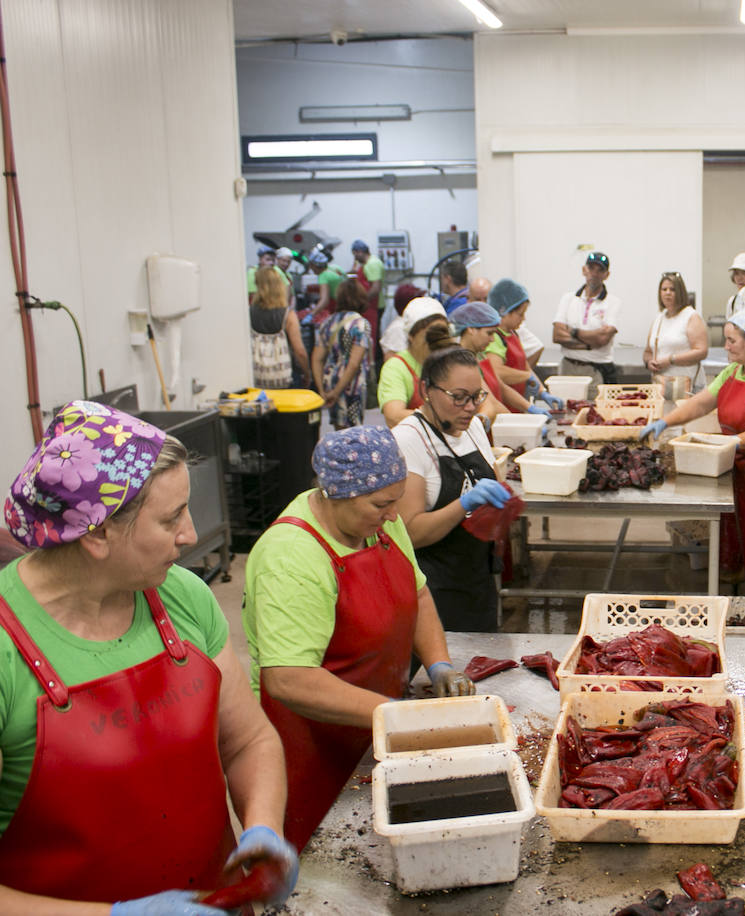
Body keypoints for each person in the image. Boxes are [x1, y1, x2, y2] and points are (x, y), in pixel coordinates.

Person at [0, 401, 297, 910]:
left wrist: (263, 825)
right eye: (170, 518)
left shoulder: (181, 594)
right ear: (96, 533)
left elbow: (248, 740)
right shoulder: (8, 648)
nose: (188, 533)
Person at [243, 425, 474, 851]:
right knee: (326, 868)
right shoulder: (291, 557)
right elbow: (289, 679)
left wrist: (439, 662)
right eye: (382, 504)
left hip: (376, 721)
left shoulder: (380, 522)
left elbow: (417, 592)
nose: (393, 516)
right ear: (337, 494)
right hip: (314, 743)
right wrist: (398, 717)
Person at [643, 300, 745, 595]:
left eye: (732, 340)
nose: (727, 347)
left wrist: (735, 440)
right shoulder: (735, 370)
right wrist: (664, 422)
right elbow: (702, 402)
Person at [395, 347, 512, 633]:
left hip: (477, 581)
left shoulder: (470, 427)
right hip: (434, 591)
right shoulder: (408, 440)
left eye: (476, 397)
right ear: (426, 390)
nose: (470, 407)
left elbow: (492, 477)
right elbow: (410, 532)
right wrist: (465, 503)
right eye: (458, 397)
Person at [452, 299, 547, 419]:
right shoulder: (461, 362)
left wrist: (529, 407)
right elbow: (491, 401)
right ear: (471, 329)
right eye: (489, 333)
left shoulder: (480, 355)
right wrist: (517, 423)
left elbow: (501, 387)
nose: (492, 339)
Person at [486, 278, 562, 409]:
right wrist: (526, 377)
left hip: (518, 405)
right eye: (520, 314)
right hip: (503, 407)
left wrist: (543, 392)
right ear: (503, 311)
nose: (524, 318)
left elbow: (525, 367)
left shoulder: (513, 333)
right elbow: (496, 371)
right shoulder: (494, 338)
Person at [553, 250, 623, 386]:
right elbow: (557, 336)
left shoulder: (613, 302)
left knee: (596, 407)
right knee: (565, 406)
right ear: (584, 270)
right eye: (591, 268)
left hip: (596, 372)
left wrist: (573, 331)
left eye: (600, 270)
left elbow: (602, 339)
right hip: (568, 368)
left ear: (606, 275)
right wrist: (589, 345)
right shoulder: (568, 299)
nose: (594, 274)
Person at [379, 297, 450, 427]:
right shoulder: (396, 367)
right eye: (429, 336)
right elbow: (394, 415)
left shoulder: (449, 362)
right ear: (411, 336)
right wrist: (444, 418)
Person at [312, 278, 373, 430]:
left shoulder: (328, 322)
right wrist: (337, 391)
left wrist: (322, 390)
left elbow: (316, 359)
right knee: (353, 432)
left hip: (330, 380)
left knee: (339, 431)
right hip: (352, 385)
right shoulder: (360, 324)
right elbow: (353, 364)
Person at [644, 271, 709, 390]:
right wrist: (649, 362)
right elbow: (648, 352)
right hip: (662, 386)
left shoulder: (691, 317)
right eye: (664, 289)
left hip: (687, 386)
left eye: (672, 289)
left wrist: (670, 360)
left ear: (680, 292)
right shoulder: (659, 318)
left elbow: (701, 351)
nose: (667, 293)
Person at [250, 265, 309, 390]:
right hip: (285, 376)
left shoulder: (249, 313)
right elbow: (299, 351)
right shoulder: (288, 315)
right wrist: (307, 373)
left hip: (258, 375)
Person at [350, 239, 385, 355]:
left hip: (373, 307)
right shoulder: (368, 263)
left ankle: (375, 361)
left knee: (371, 336)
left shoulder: (372, 264)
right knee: (373, 335)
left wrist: (360, 303)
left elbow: (375, 289)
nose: (354, 257)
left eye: (355, 254)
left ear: (360, 252)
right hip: (369, 306)